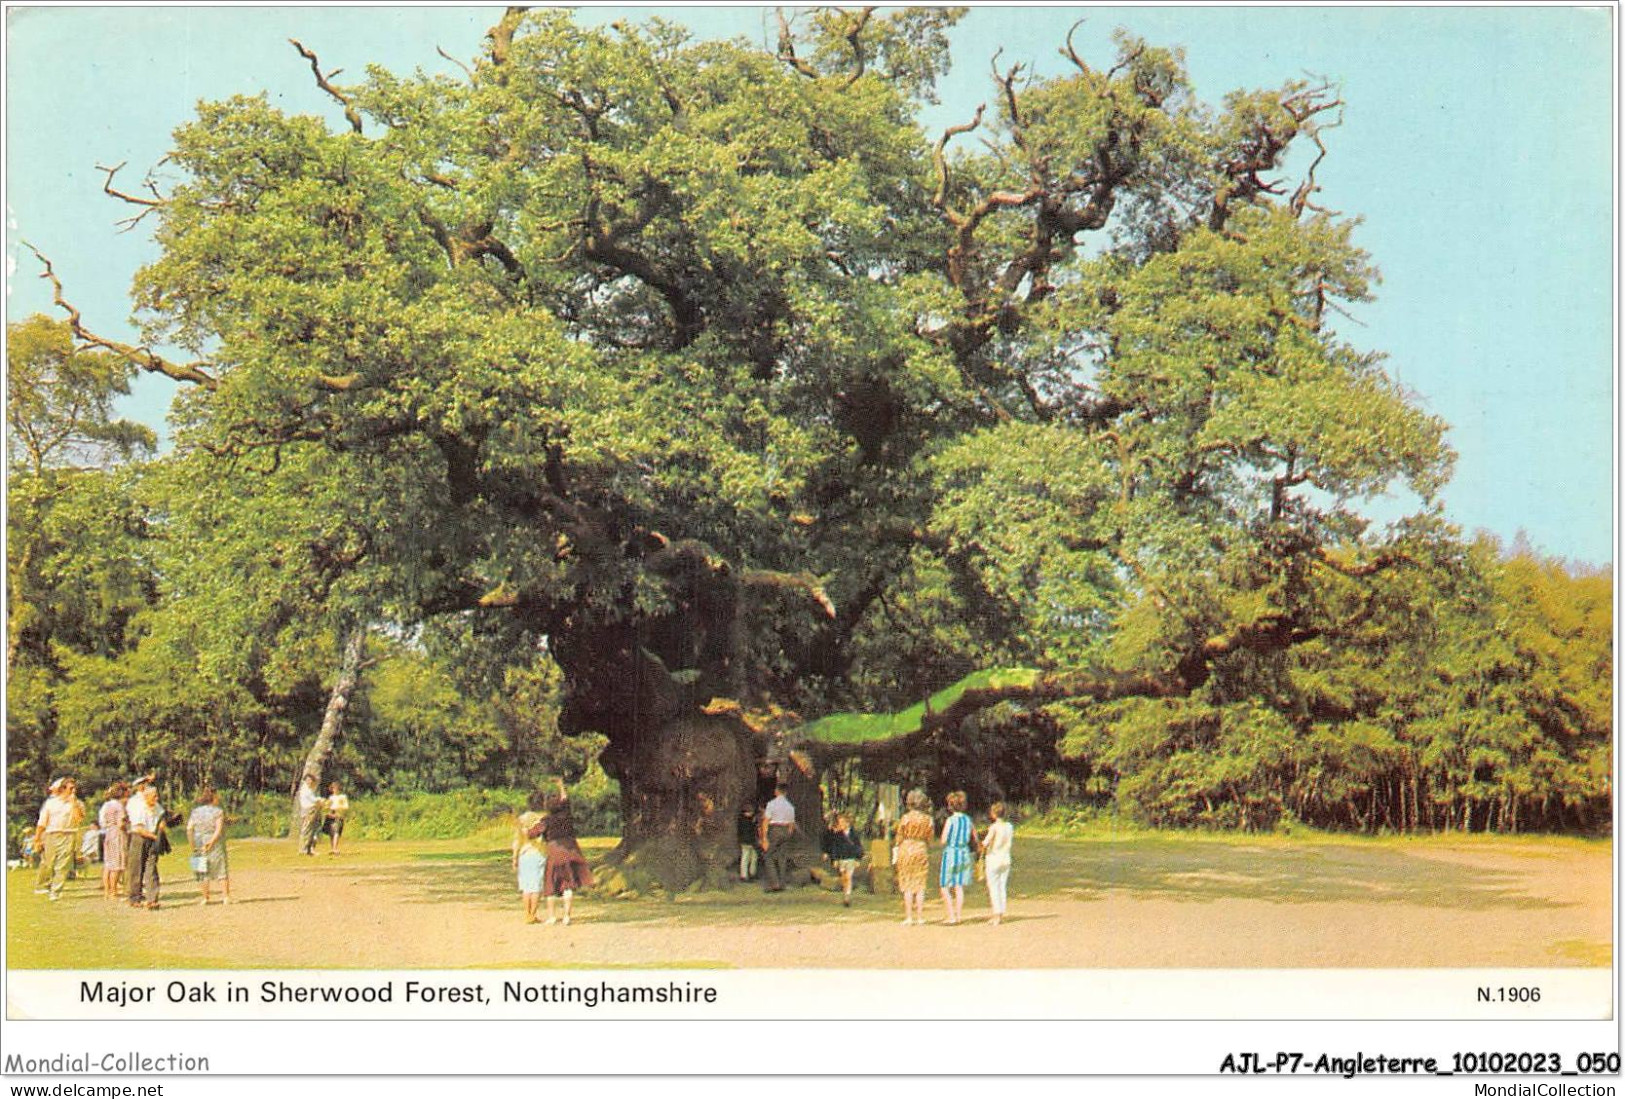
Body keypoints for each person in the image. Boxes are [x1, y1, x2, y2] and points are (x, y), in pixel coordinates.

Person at [531, 778, 592, 925]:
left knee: (551, 886)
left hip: (554, 853)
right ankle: (567, 916)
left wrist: (526, 829)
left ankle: (552, 916)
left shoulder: (546, 820)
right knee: (568, 885)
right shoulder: (566, 816)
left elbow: (532, 833)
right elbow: (566, 800)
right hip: (570, 852)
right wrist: (561, 785)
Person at [33, 777, 84, 901]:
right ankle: (45, 884)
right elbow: (42, 822)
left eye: (74, 788)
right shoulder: (51, 803)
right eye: (70, 788)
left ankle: (56, 891)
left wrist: (73, 804)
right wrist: (37, 839)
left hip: (69, 834)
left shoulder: (78, 804)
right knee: (49, 863)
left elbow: (79, 820)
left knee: (63, 865)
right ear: (63, 789)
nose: (73, 791)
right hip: (52, 834)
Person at [893, 789, 934, 926]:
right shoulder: (928, 820)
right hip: (920, 849)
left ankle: (909, 917)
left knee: (907, 884)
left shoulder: (905, 818)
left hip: (906, 848)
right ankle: (920, 917)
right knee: (920, 884)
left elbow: (899, 836)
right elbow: (930, 838)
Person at [938, 790, 978, 926]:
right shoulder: (968, 820)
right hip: (964, 853)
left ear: (950, 805)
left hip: (951, 853)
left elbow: (943, 839)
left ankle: (951, 915)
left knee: (945, 886)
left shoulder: (950, 821)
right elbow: (975, 837)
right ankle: (959, 915)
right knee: (959, 886)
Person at [187, 789, 231, 905]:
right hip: (215, 842)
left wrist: (192, 844)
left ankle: (205, 897)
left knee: (201, 870)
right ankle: (225, 896)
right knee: (221, 868)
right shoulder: (218, 812)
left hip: (198, 841)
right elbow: (218, 829)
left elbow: (189, 829)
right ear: (213, 798)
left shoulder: (195, 812)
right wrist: (211, 842)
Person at [126, 777, 163, 909]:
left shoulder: (157, 806)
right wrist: (154, 836)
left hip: (152, 837)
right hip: (140, 837)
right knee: (136, 868)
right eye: (154, 796)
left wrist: (160, 831)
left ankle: (152, 899)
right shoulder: (137, 804)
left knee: (151, 868)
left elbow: (161, 818)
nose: (156, 798)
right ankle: (134, 897)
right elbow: (139, 828)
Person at [512, 792, 547, 925]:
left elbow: (517, 840)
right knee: (536, 886)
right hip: (538, 853)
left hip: (524, 854)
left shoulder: (522, 819)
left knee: (526, 887)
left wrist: (514, 857)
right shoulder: (543, 819)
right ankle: (533, 914)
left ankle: (527, 913)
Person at [821, 812, 864, 907]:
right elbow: (835, 847)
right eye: (839, 822)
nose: (841, 824)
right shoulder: (837, 835)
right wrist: (835, 859)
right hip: (841, 859)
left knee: (848, 877)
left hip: (851, 858)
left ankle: (847, 896)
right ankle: (846, 892)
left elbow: (858, 847)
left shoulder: (854, 834)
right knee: (844, 877)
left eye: (843, 822)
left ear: (847, 823)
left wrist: (858, 859)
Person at [759, 781, 796, 892]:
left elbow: (766, 820)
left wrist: (764, 837)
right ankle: (782, 882)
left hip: (775, 829)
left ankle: (774, 882)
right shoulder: (790, 806)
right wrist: (788, 833)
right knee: (782, 857)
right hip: (785, 830)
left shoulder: (772, 804)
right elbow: (791, 824)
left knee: (768, 856)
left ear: (777, 791)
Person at [982, 801, 1014, 926]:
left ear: (994, 814)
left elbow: (986, 842)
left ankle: (996, 914)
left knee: (993, 887)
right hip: (1006, 858)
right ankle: (1001, 912)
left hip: (994, 858)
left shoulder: (994, 827)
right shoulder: (1009, 826)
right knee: (1002, 886)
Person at [98, 782, 131, 900]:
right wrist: (127, 826)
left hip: (108, 833)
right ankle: (113, 890)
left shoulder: (105, 806)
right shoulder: (119, 806)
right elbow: (121, 823)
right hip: (118, 834)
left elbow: (102, 822)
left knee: (108, 864)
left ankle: (107, 891)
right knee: (117, 864)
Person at [295, 774, 323, 855]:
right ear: (305, 780)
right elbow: (313, 800)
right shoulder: (305, 789)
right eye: (308, 780)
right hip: (308, 810)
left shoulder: (309, 789)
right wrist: (321, 800)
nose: (310, 782)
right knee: (306, 829)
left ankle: (308, 849)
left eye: (311, 780)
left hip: (311, 809)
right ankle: (303, 849)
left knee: (311, 830)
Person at [323, 781, 350, 855]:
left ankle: (335, 848)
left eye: (337, 788)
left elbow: (345, 806)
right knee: (331, 832)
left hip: (338, 816)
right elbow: (326, 807)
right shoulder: (330, 798)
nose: (335, 789)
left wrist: (339, 811)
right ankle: (332, 848)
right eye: (334, 788)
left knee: (336, 832)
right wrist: (327, 811)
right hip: (330, 815)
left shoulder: (342, 797)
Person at [737, 806, 760, 882]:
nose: (751, 813)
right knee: (749, 857)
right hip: (749, 841)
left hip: (745, 841)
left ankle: (747, 874)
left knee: (749, 857)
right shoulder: (749, 821)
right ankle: (747, 874)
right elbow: (752, 831)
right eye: (749, 812)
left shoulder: (741, 820)